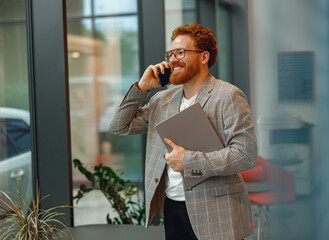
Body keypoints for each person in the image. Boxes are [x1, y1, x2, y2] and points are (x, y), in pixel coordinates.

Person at [109, 23, 257, 240]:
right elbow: (119, 127)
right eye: (170, 53)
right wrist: (142, 87)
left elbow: (245, 154)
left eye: (181, 52)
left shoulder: (228, 96)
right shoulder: (162, 99)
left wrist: (188, 161)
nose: (173, 59)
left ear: (204, 57)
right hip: (173, 208)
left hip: (216, 210)